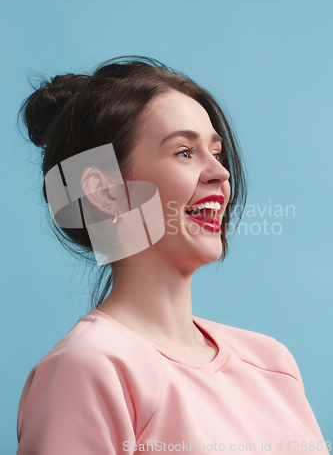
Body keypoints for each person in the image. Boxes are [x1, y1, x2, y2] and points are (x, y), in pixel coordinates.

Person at [16, 56, 327, 454]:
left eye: (216, 152)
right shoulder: (89, 368)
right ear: (104, 191)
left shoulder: (272, 363)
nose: (221, 172)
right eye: (184, 152)